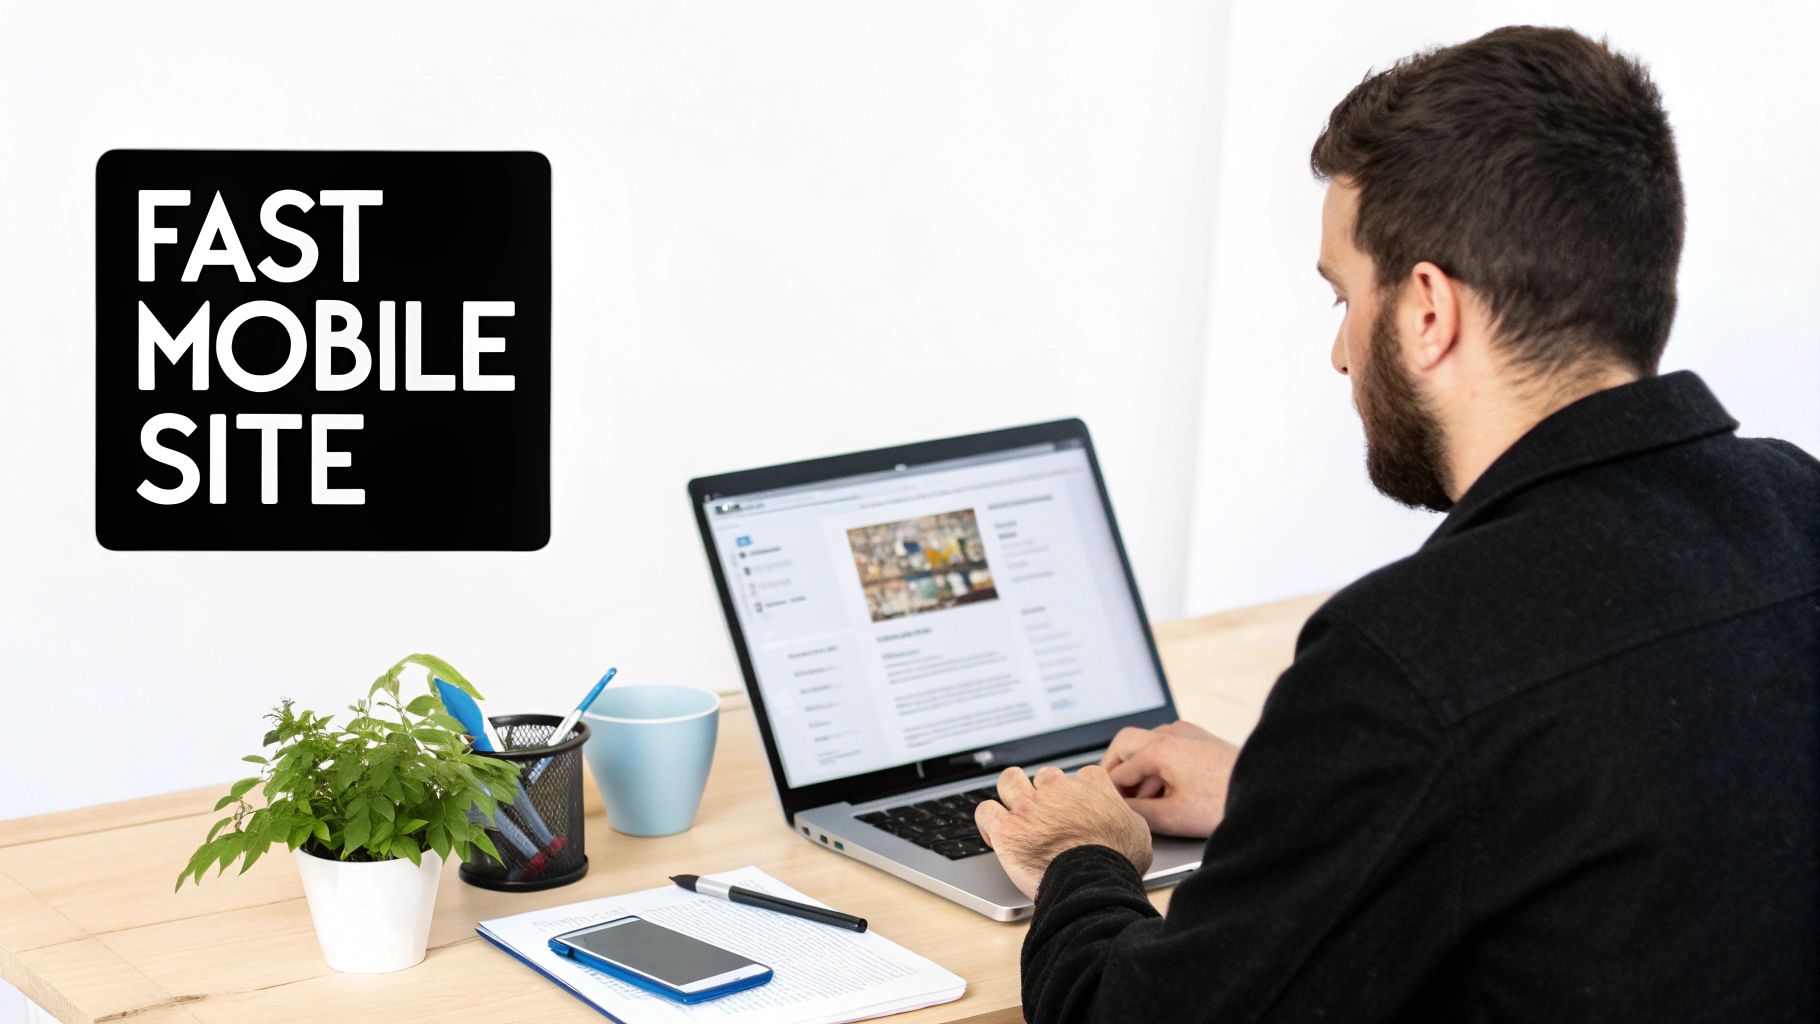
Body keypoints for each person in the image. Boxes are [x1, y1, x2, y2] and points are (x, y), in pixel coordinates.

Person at [973, 25, 1818, 1022]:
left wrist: (1085, 857)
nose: (1338, 353)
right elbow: (1609, 800)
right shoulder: (1794, 511)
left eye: (1341, 296)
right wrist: (1279, 795)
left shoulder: (1407, 659)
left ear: (1425, 309)